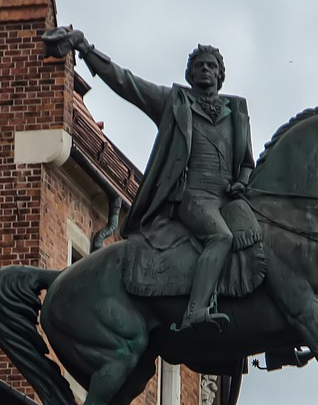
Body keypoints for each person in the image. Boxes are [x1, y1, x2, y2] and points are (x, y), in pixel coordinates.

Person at [56, 29, 256, 330]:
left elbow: (247, 163)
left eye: (211, 66)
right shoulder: (174, 102)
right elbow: (127, 83)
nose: (205, 69)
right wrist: (86, 49)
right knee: (221, 237)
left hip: (227, 198)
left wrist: (242, 180)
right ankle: (195, 311)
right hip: (192, 197)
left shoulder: (237, 111)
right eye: (199, 65)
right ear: (190, 73)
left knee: (265, 243)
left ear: (220, 75)